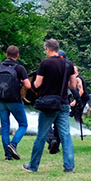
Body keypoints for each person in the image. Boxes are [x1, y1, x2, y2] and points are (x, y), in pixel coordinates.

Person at [23, 39, 78, 173]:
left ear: (48, 49)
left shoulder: (45, 63)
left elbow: (38, 83)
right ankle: (69, 166)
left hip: (48, 104)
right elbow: (73, 85)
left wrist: (29, 88)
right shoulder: (68, 64)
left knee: (41, 135)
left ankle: (33, 165)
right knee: (66, 136)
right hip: (63, 103)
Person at [0, 45, 31, 161]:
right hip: (15, 101)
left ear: (6, 55)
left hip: (1, 101)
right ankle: (13, 144)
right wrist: (19, 82)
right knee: (23, 124)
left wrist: (1, 85)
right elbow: (28, 85)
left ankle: (8, 156)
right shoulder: (19, 68)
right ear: (18, 55)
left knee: (5, 127)